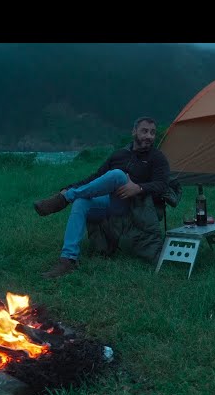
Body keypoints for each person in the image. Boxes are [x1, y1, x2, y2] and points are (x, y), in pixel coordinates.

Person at [33, 116, 170, 278]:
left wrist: (138, 188)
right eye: (144, 131)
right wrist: (68, 187)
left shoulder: (157, 157)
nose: (149, 136)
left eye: (152, 132)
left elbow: (162, 185)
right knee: (81, 202)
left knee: (118, 175)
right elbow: (95, 178)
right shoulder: (119, 155)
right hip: (111, 202)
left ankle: (65, 198)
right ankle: (68, 259)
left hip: (133, 205)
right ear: (134, 132)